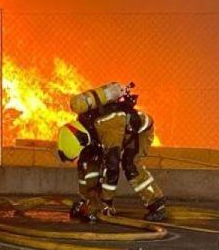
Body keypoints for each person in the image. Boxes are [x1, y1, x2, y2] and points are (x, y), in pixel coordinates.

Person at [57, 84, 167, 222]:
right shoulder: (84, 123)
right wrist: (87, 201)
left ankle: (157, 205)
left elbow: (112, 167)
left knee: (130, 164)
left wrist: (106, 203)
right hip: (116, 132)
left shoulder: (108, 127)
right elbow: (85, 165)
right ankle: (92, 201)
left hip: (138, 133)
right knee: (91, 158)